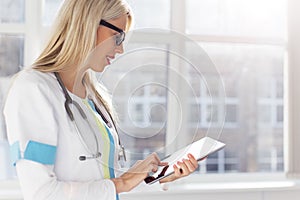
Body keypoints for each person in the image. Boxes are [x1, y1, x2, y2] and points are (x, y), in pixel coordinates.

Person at [3, 0, 199, 199]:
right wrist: (124, 181)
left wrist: (156, 176)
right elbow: (41, 193)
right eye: (117, 37)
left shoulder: (94, 96)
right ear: (88, 24)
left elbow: (104, 181)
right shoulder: (34, 89)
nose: (121, 49)